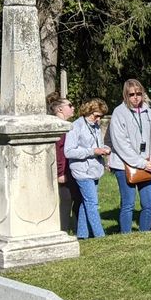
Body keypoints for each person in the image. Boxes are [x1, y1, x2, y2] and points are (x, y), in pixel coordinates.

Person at [108, 78, 151, 233]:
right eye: (132, 94)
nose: (136, 97)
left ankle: (144, 233)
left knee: (149, 203)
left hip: (147, 163)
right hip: (124, 165)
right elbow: (121, 144)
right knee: (128, 203)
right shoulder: (119, 113)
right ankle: (126, 235)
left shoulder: (149, 112)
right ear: (126, 95)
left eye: (139, 93)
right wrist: (141, 162)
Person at [64, 98, 111, 239]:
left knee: (86, 203)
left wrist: (104, 149)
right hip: (82, 171)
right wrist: (92, 151)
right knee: (92, 203)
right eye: (96, 115)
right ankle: (99, 235)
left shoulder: (95, 127)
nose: (98, 119)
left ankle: (82, 234)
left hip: (95, 169)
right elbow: (69, 151)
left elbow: (98, 144)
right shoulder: (75, 126)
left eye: (100, 117)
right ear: (88, 111)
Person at [48, 94, 81, 235]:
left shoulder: (68, 126)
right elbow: (57, 152)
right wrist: (60, 173)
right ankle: (63, 231)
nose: (73, 108)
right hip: (64, 172)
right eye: (70, 105)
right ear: (60, 109)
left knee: (77, 199)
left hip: (71, 170)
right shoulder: (59, 127)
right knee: (66, 201)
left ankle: (79, 228)